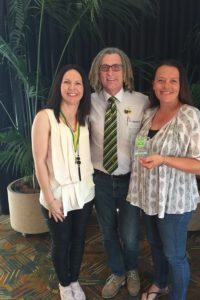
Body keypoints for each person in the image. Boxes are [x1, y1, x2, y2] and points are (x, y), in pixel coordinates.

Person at [127, 60, 200, 300]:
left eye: (172, 81)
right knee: (155, 246)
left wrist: (164, 159)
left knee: (174, 255)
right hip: (149, 196)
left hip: (174, 202)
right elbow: (143, 144)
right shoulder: (149, 113)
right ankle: (161, 284)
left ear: (180, 85)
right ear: (153, 85)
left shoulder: (191, 117)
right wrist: (143, 157)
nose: (166, 86)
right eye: (161, 80)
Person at [88, 47, 149, 299]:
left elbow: (148, 137)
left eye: (116, 67)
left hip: (131, 180)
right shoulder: (87, 101)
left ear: (125, 72)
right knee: (107, 232)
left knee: (131, 234)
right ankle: (117, 271)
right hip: (101, 179)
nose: (110, 72)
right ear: (97, 73)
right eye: (104, 67)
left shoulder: (142, 101)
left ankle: (132, 269)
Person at [32, 65, 95, 300]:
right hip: (56, 194)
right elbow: (39, 162)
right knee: (62, 242)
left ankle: (75, 280)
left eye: (78, 83)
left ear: (84, 89)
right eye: (67, 82)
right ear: (59, 86)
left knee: (79, 240)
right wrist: (50, 199)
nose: (72, 87)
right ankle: (64, 284)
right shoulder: (45, 117)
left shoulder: (85, 119)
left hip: (84, 193)